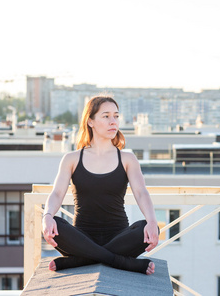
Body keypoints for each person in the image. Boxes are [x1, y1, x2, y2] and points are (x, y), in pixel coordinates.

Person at [42, 95, 159, 275]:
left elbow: (141, 193)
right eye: (106, 116)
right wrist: (47, 215)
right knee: (54, 222)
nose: (113, 121)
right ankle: (121, 262)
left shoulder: (127, 159)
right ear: (90, 121)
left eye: (116, 116)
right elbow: (57, 193)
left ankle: (80, 260)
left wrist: (152, 222)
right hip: (81, 238)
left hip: (120, 238)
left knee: (148, 225)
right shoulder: (72, 159)